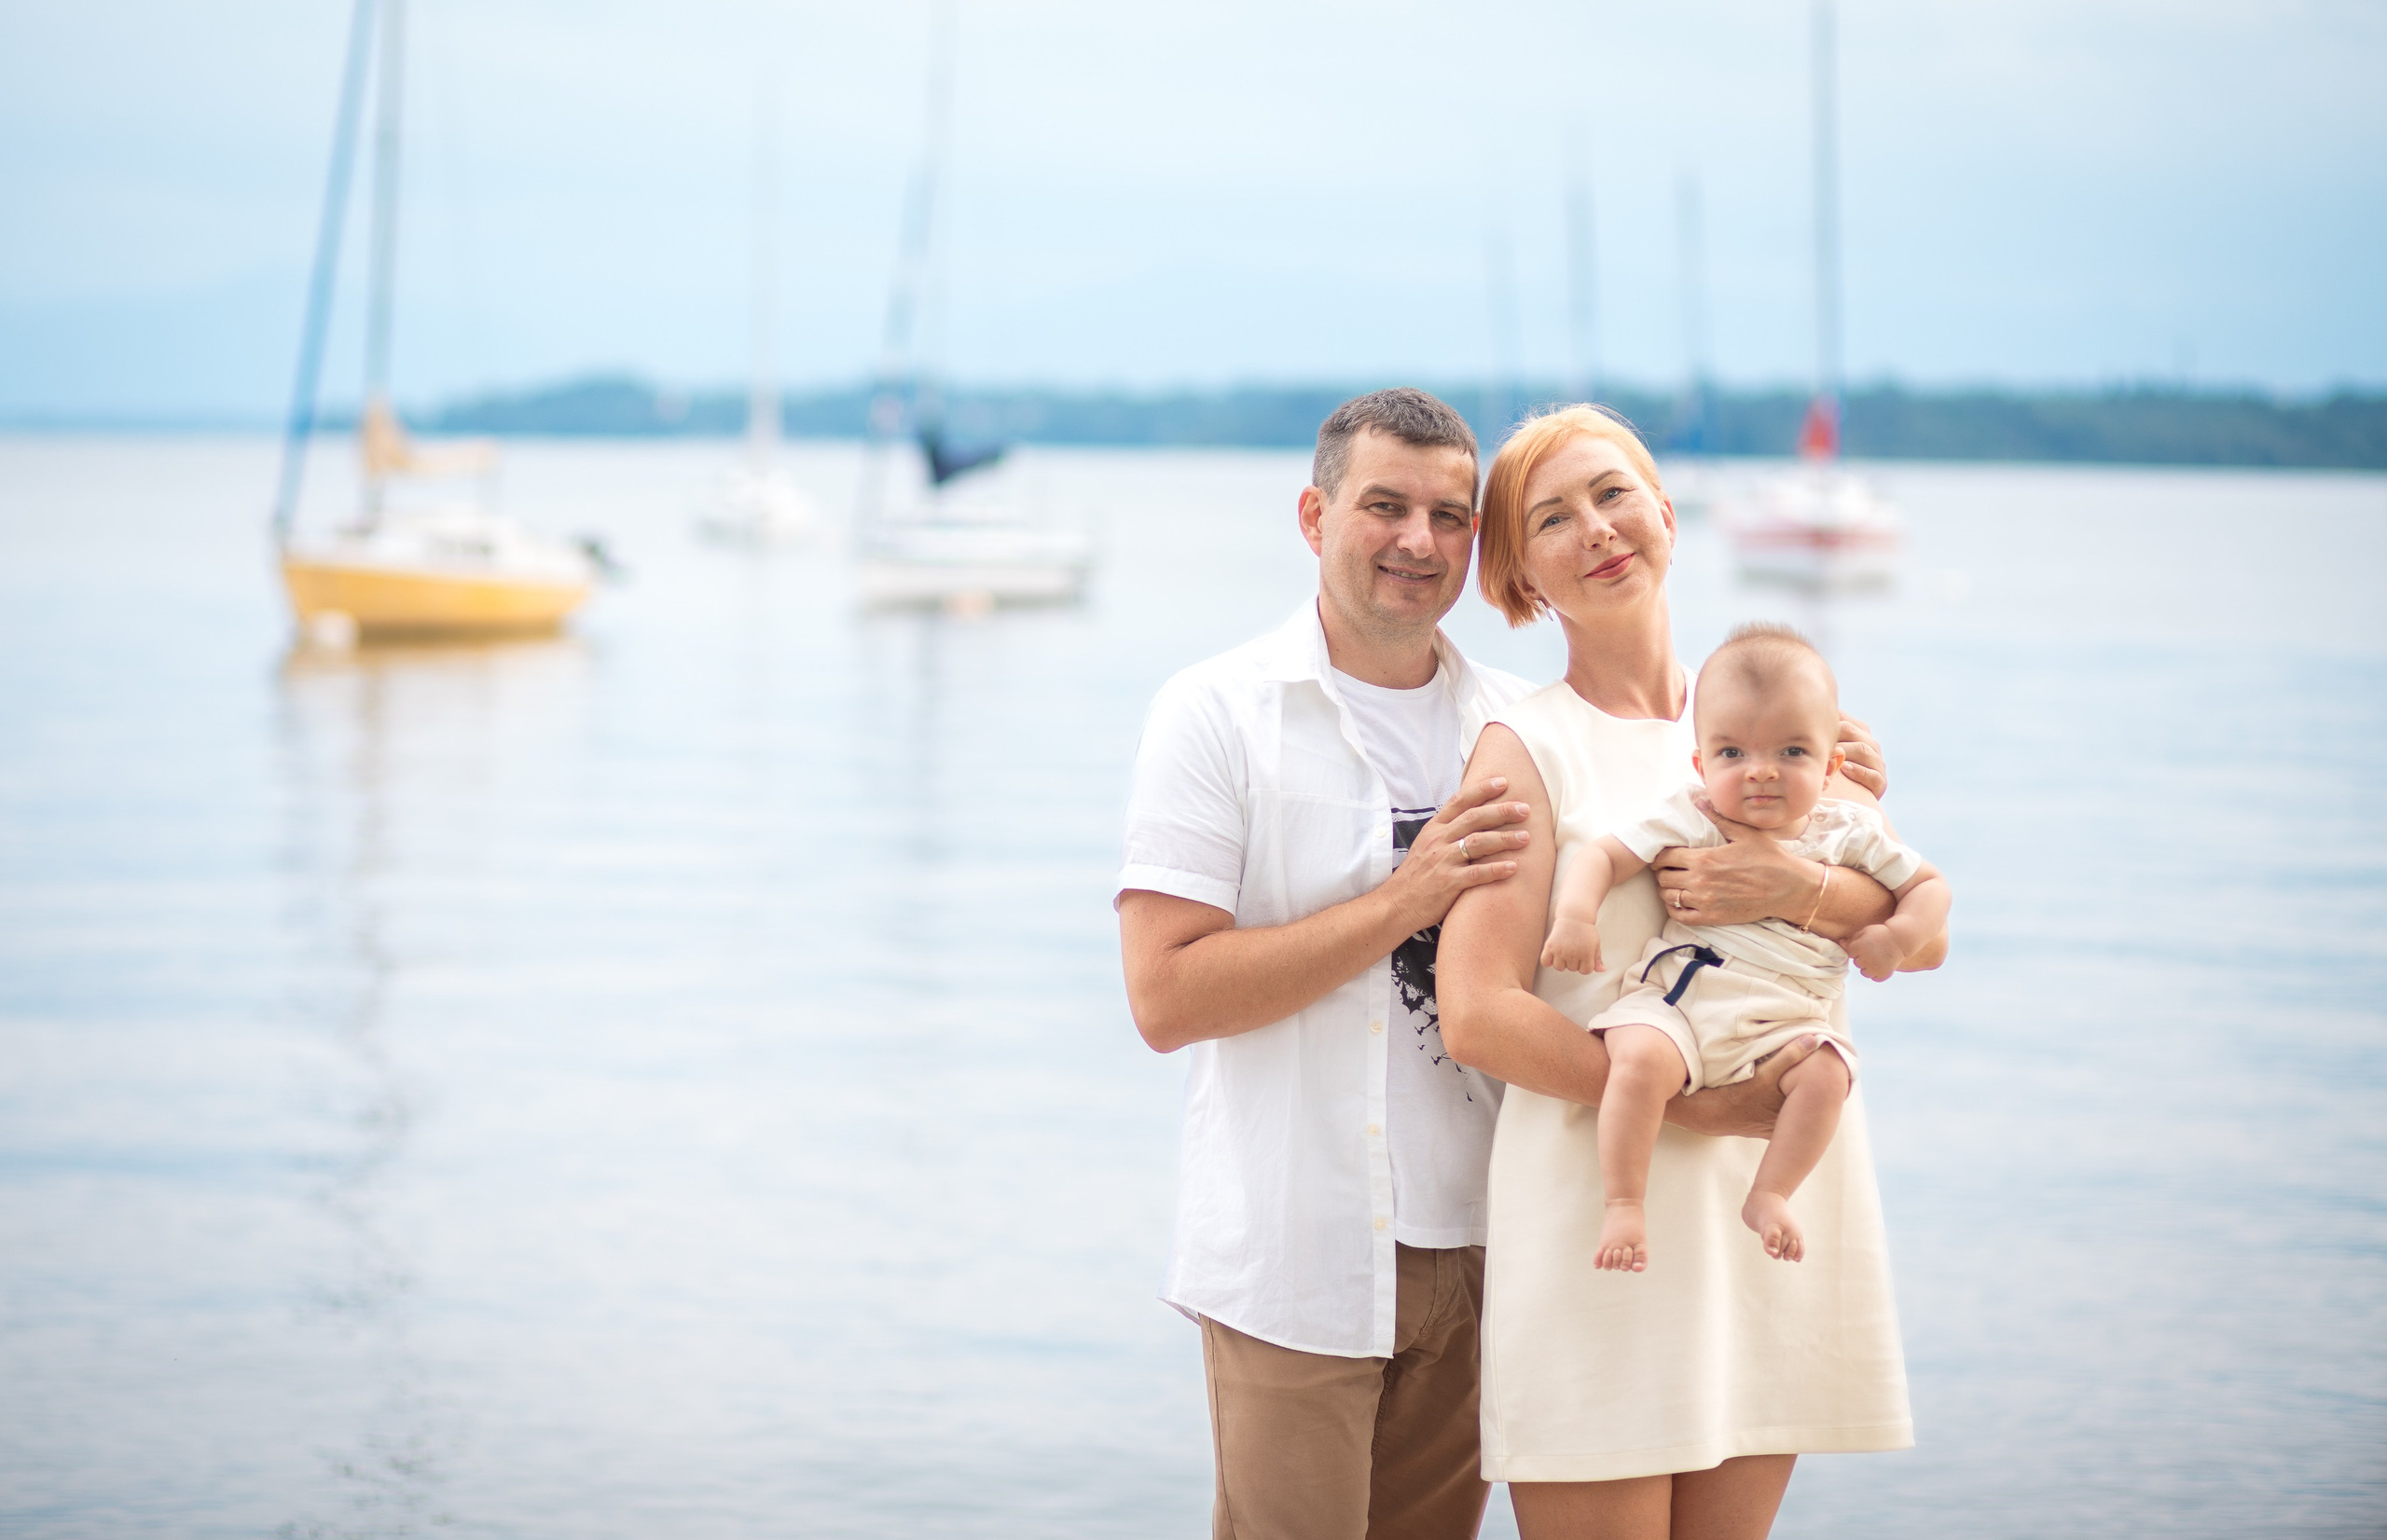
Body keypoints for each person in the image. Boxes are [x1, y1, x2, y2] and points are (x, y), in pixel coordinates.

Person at [1116, 390, 1825, 1540]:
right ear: (1313, 513)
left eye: (1451, 515)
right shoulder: (1217, 713)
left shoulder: (1518, 724)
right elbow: (1164, 995)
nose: (1419, 541)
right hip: (1298, 1250)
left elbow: (1710, 848)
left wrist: (1809, 785)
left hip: (1492, 1235)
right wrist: (1407, 896)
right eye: (1384, 507)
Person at [1437, 405, 1946, 1540]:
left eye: (1613, 492)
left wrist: (1792, 889)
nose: (1596, 528)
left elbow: (1907, 926)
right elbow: (1476, 1015)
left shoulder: (1778, 717)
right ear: (1517, 571)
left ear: (1665, 510)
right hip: (1603, 1210)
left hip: (1770, 1201)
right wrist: (1707, 1104)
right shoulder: (1527, 747)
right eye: (1550, 518)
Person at [1540, 624, 1952, 1272]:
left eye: (1790, 751)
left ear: (1831, 765)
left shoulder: (1848, 831)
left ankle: (1770, 1192)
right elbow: (1603, 855)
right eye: (1733, 753)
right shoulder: (1694, 813)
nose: (1760, 771)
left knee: (1829, 1073)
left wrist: (1896, 937)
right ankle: (1623, 1201)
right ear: (1703, 763)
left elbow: (1932, 891)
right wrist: (1574, 916)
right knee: (1639, 1058)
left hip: (1783, 1023)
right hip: (1682, 999)